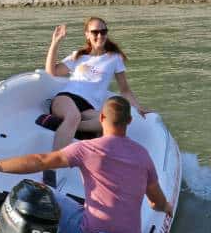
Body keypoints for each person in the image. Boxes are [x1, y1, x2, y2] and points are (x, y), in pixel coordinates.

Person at [0, 96, 173, 233]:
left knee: (32, 189)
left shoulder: (87, 149)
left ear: (101, 118)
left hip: (87, 232)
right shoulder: (143, 155)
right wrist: (167, 208)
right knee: (81, 206)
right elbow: (157, 202)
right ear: (129, 121)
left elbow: (40, 161)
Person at [41, 17, 151, 156]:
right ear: (87, 34)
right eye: (95, 32)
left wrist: (138, 108)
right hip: (67, 98)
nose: (100, 36)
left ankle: (57, 124)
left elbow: (125, 90)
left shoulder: (114, 58)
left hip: (88, 108)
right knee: (73, 116)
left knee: (110, 121)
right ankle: (52, 165)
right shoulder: (78, 56)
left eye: (103, 32)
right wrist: (55, 42)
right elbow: (51, 72)